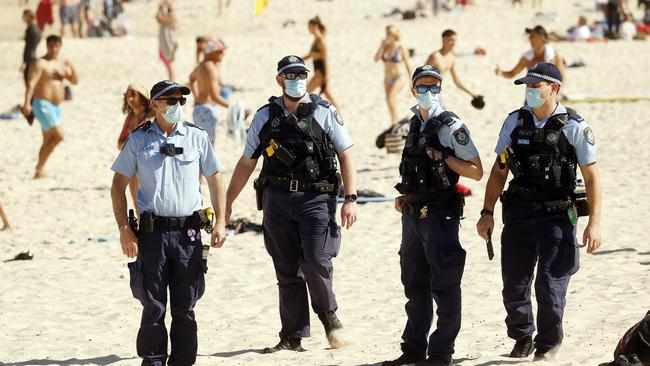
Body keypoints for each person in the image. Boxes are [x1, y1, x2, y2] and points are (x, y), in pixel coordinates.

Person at [225, 55, 357, 353]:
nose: (297, 78)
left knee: (316, 261)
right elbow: (247, 162)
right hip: (277, 200)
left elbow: (346, 154)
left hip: (316, 200)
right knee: (285, 269)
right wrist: (228, 202)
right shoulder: (265, 116)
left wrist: (350, 198)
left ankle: (328, 315)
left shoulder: (324, 112)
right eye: (291, 74)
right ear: (279, 80)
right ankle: (292, 335)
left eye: (301, 73)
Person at [476, 63, 602, 361]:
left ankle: (547, 344)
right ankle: (522, 338)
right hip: (519, 214)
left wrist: (594, 224)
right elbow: (498, 172)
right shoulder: (515, 122)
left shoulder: (575, 126)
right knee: (514, 283)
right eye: (527, 87)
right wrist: (486, 211)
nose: (530, 92)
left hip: (557, 216)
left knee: (549, 282)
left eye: (536, 86)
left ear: (554, 88)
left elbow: (593, 177)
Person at [110, 80, 227, 366]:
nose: (176, 106)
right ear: (155, 104)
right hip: (152, 235)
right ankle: (152, 362)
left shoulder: (197, 137)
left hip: (189, 234)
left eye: (180, 101)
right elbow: (117, 185)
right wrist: (125, 229)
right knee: (153, 305)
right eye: (170, 100)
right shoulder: (138, 140)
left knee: (186, 307)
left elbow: (215, 178)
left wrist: (222, 220)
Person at [383, 65, 482, 366]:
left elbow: (476, 170)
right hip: (412, 214)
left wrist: (445, 157)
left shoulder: (451, 126)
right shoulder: (414, 123)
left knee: (445, 285)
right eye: (422, 87)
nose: (428, 93)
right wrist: (405, 197)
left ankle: (440, 353)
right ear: (413, 90)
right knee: (414, 285)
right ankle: (413, 349)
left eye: (434, 87)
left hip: (440, 215)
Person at [22, 35, 78, 179]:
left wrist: (69, 69)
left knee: (48, 140)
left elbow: (75, 81)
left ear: (60, 46)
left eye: (56, 46)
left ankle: (39, 170)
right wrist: (27, 102)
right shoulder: (40, 63)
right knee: (59, 135)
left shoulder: (63, 64)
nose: (53, 49)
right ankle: (39, 167)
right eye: (51, 46)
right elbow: (31, 83)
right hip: (42, 104)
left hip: (56, 107)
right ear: (46, 46)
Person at [117, 84, 153, 212]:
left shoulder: (151, 117)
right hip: (132, 164)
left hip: (147, 164)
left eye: (133, 95)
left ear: (143, 97)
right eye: (127, 95)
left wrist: (129, 145)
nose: (129, 99)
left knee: (147, 204)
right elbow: (119, 142)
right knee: (137, 203)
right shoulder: (130, 118)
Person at [425, 29, 482, 108]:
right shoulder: (435, 56)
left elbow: (456, 80)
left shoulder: (451, 58)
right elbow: (421, 74)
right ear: (443, 40)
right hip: (427, 92)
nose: (454, 43)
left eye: (455, 40)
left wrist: (472, 93)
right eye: (451, 40)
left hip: (438, 92)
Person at [189, 39, 230, 145]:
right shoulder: (209, 67)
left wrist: (197, 96)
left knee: (203, 147)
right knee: (207, 148)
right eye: (219, 51)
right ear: (211, 52)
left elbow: (191, 79)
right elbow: (215, 96)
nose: (223, 53)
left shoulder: (203, 65)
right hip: (206, 111)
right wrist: (234, 107)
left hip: (201, 109)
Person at [495, 26, 566, 83]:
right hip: (531, 93)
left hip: (549, 96)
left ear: (542, 39)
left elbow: (562, 78)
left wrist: (557, 95)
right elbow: (512, 73)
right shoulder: (527, 58)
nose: (529, 38)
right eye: (530, 36)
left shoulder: (554, 56)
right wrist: (501, 73)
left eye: (533, 36)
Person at [374, 25, 413, 125]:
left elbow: (408, 64)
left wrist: (412, 80)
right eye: (386, 33)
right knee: (389, 101)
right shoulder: (385, 47)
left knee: (390, 98)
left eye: (389, 33)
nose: (387, 35)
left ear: (394, 34)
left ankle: (395, 122)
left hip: (399, 77)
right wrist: (381, 46)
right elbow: (376, 59)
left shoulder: (401, 48)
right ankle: (393, 121)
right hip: (387, 78)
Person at [303, 16, 339, 110]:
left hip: (320, 73)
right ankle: (338, 113)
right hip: (318, 72)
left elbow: (325, 59)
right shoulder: (316, 40)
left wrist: (326, 76)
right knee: (328, 95)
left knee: (304, 93)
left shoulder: (321, 41)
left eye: (309, 26)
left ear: (315, 26)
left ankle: (338, 113)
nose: (308, 29)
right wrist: (300, 59)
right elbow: (311, 55)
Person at [156, 0, 177, 81]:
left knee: (169, 63)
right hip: (165, 37)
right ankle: (172, 80)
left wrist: (160, 8)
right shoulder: (165, 7)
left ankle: (172, 81)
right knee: (168, 63)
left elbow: (161, 19)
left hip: (168, 39)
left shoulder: (170, 9)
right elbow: (159, 18)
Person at [22, 10, 41, 89]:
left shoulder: (31, 29)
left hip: (30, 57)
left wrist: (24, 61)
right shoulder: (35, 28)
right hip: (32, 56)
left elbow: (28, 47)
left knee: (29, 83)